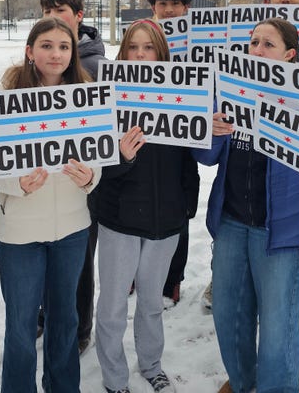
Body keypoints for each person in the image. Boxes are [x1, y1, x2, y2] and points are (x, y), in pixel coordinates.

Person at [0, 17, 102, 393]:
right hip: (19, 233)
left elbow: (100, 152)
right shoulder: (3, 94)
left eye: (64, 46)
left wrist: (90, 177)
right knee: (20, 326)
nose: (56, 53)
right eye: (46, 45)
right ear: (30, 51)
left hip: (72, 230)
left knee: (64, 320)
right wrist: (15, 182)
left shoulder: (87, 93)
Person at [194, 18, 299, 393]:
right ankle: (242, 380)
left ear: (290, 55)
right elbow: (206, 157)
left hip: (281, 230)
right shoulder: (229, 91)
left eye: (269, 44)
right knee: (229, 314)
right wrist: (210, 130)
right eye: (253, 43)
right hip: (232, 222)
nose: (258, 50)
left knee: (278, 326)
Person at [94, 19, 199, 393]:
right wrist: (120, 157)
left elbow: (190, 157)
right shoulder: (105, 95)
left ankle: (151, 364)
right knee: (112, 306)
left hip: (165, 220)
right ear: (123, 53)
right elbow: (94, 168)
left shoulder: (183, 94)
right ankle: (114, 377)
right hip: (119, 218)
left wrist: (187, 202)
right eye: (134, 47)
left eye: (149, 47)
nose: (141, 54)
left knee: (152, 302)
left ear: (161, 52)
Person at [39, 0, 107, 351]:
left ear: (78, 15)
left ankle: (80, 329)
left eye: (60, 9)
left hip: (80, 182)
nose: (53, 15)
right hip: (40, 181)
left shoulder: (95, 67)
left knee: (79, 260)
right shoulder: (33, 61)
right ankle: (44, 312)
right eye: (47, 9)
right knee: (44, 254)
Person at [146, 0, 195, 306]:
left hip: (184, 137)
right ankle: (140, 274)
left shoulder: (197, 42)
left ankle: (171, 279)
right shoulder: (143, 37)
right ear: (154, 8)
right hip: (147, 135)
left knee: (179, 207)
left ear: (185, 8)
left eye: (174, 4)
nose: (168, 9)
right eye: (162, 4)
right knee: (144, 203)